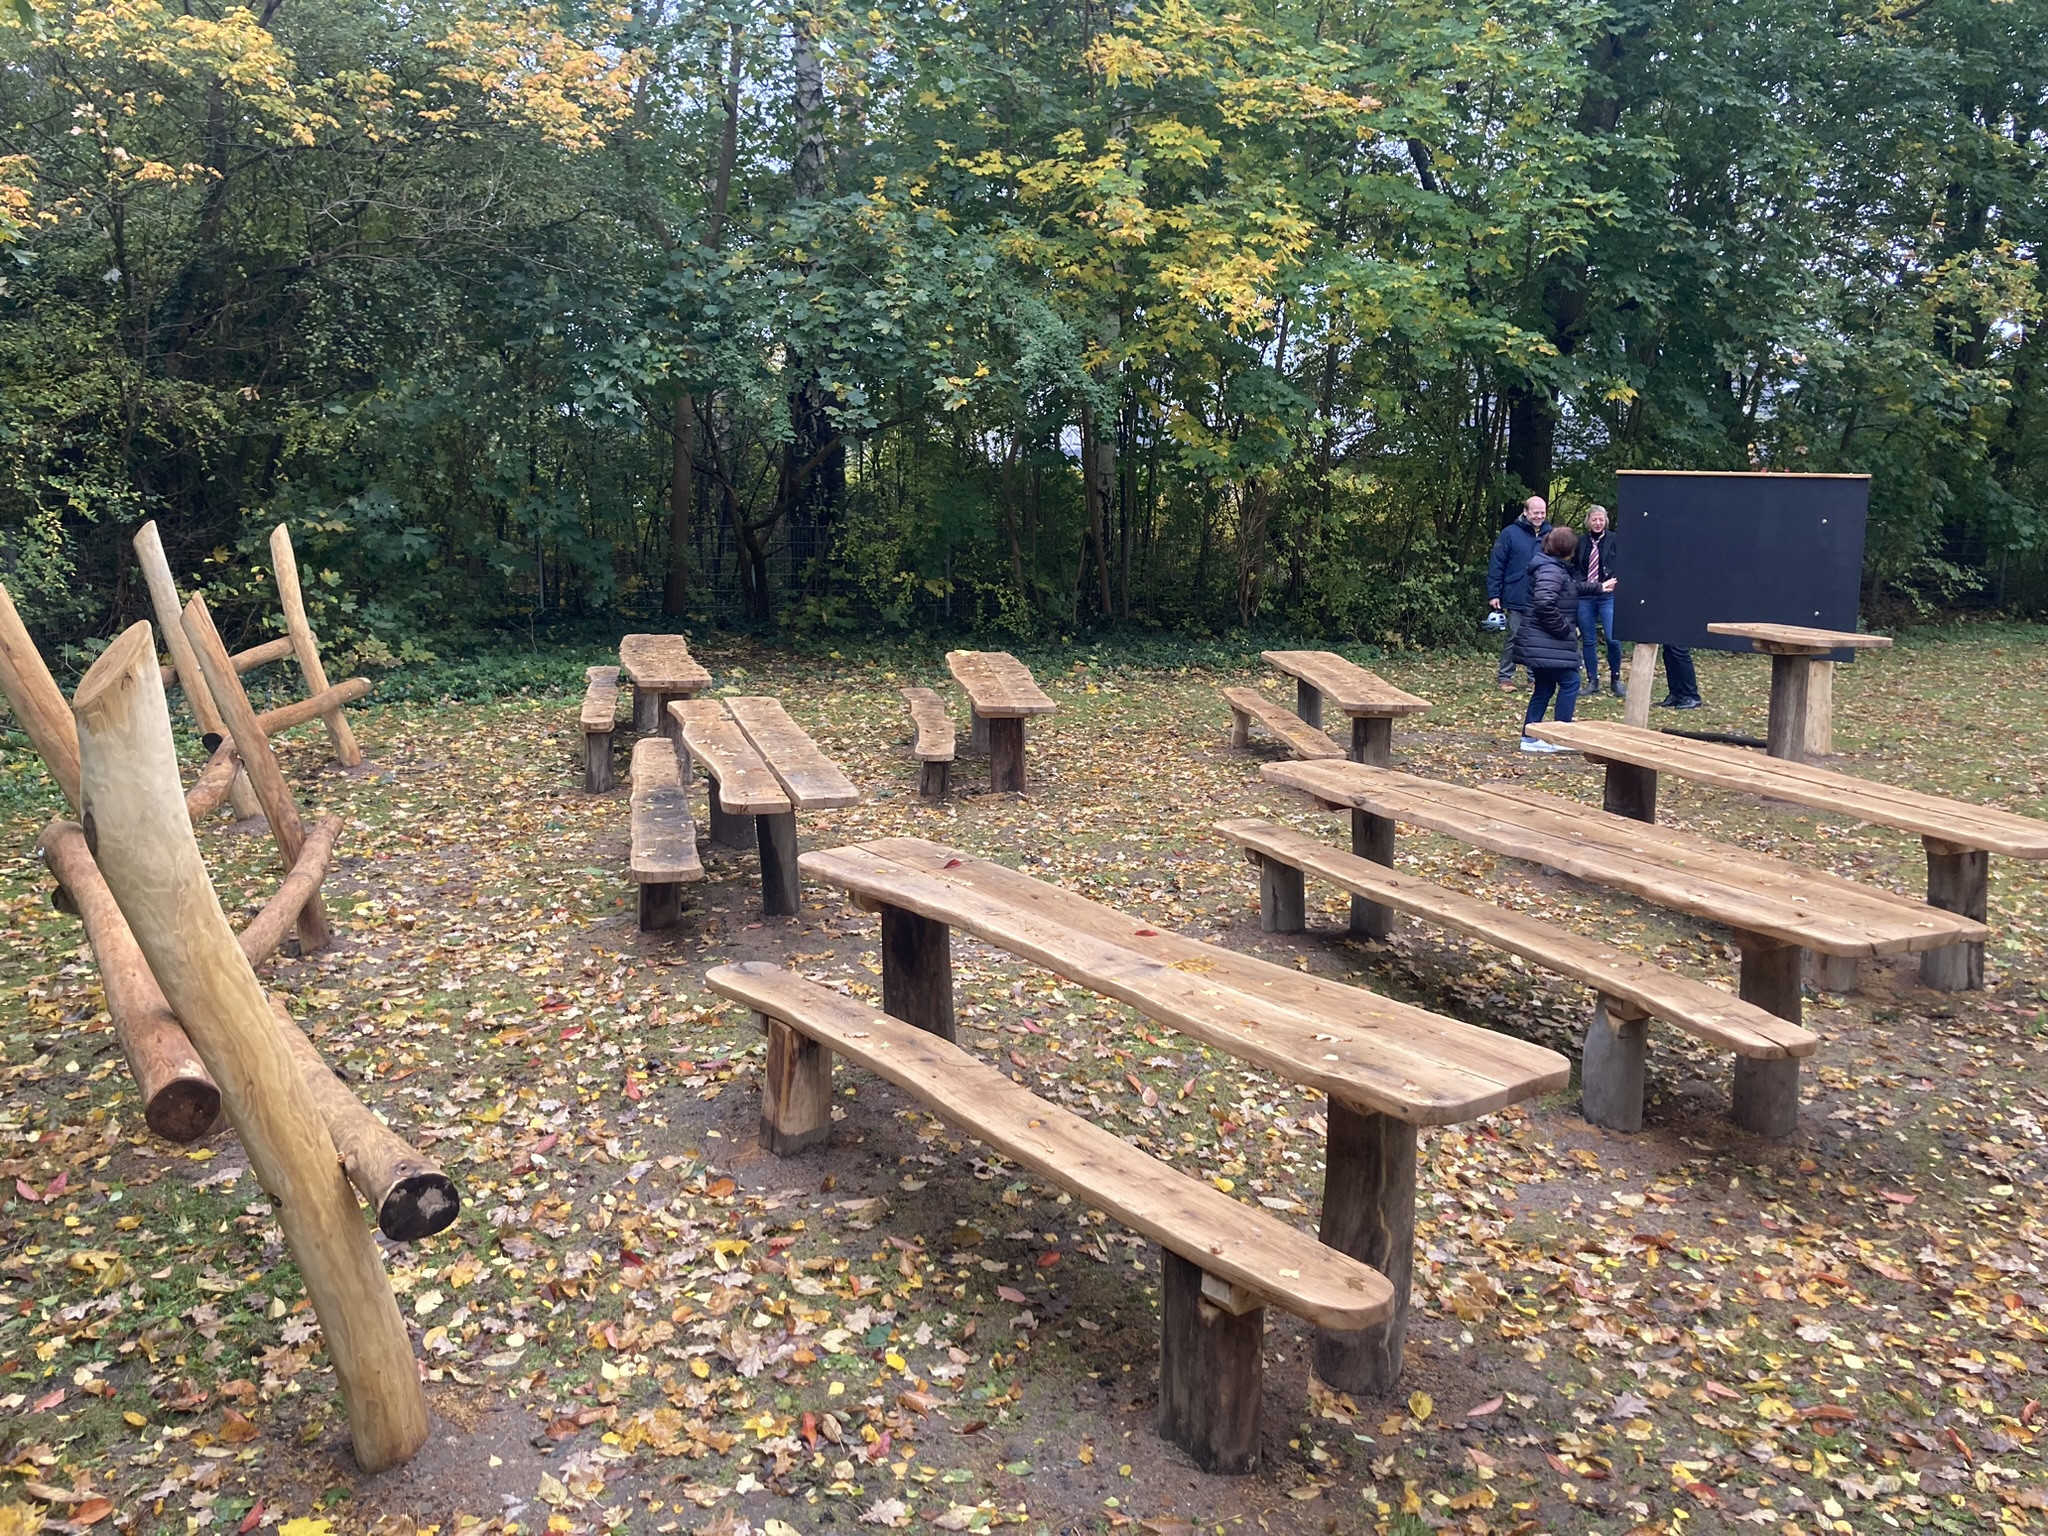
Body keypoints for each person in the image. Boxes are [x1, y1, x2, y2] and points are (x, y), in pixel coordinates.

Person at [1517, 526, 1615, 753]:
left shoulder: (1551, 567)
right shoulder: (1551, 570)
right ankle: (1559, 738)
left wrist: (1600, 587)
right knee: (1571, 682)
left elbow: (1568, 588)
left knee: (1544, 687)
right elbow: (1544, 603)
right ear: (1567, 549)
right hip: (1548, 641)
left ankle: (1529, 737)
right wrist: (1563, 629)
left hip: (1542, 643)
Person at [1486, 495, 1552, 689]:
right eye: (1536, 512)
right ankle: (1505, 677)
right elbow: (1496, 565)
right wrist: (1493, 593)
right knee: (1514, 636)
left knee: (1538, 638)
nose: (1539, 516)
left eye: (1543, 512)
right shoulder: (1509, 534)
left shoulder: (1551, 534)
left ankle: (1534, 678)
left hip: (1542, 595)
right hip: (1516, 593)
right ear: (1526, 512)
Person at [1571, 504, 1623, 696]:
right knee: (1588, 640)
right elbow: (1574, 566)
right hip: (1586, 595)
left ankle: (1616, 679)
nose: (1598, 523)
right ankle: (1593, 680)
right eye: (1594, 519)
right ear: (1588, 521)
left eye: (1601, 519)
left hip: (1607, 594)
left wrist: (1616, 580)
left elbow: (1623, 563)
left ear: (1606, 521)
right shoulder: (1580, 541)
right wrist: (1578, 581)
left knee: (1613, 638)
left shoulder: (1615, 540)